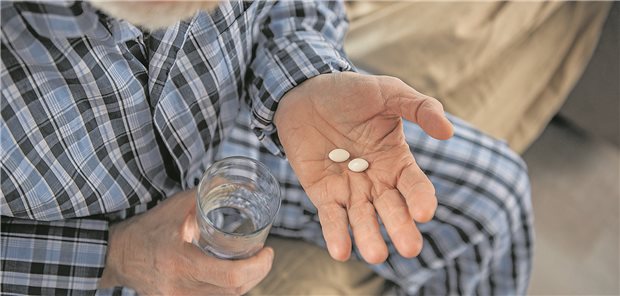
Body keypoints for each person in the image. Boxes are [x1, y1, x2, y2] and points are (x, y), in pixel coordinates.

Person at [0, 0, 534, 295]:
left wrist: (303, 78)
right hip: (77, 243)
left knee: (496, 194)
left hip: (239, 130)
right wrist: (113, 256)